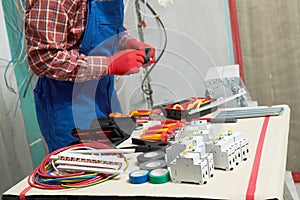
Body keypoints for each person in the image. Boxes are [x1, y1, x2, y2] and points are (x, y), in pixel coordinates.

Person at [25, 0, 156, 152]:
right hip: (67, 105)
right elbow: (44, 59)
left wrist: (129, 43)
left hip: (104, 96)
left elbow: (108, 29)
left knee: (117, 160)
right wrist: (109, 65)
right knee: (82, 169)